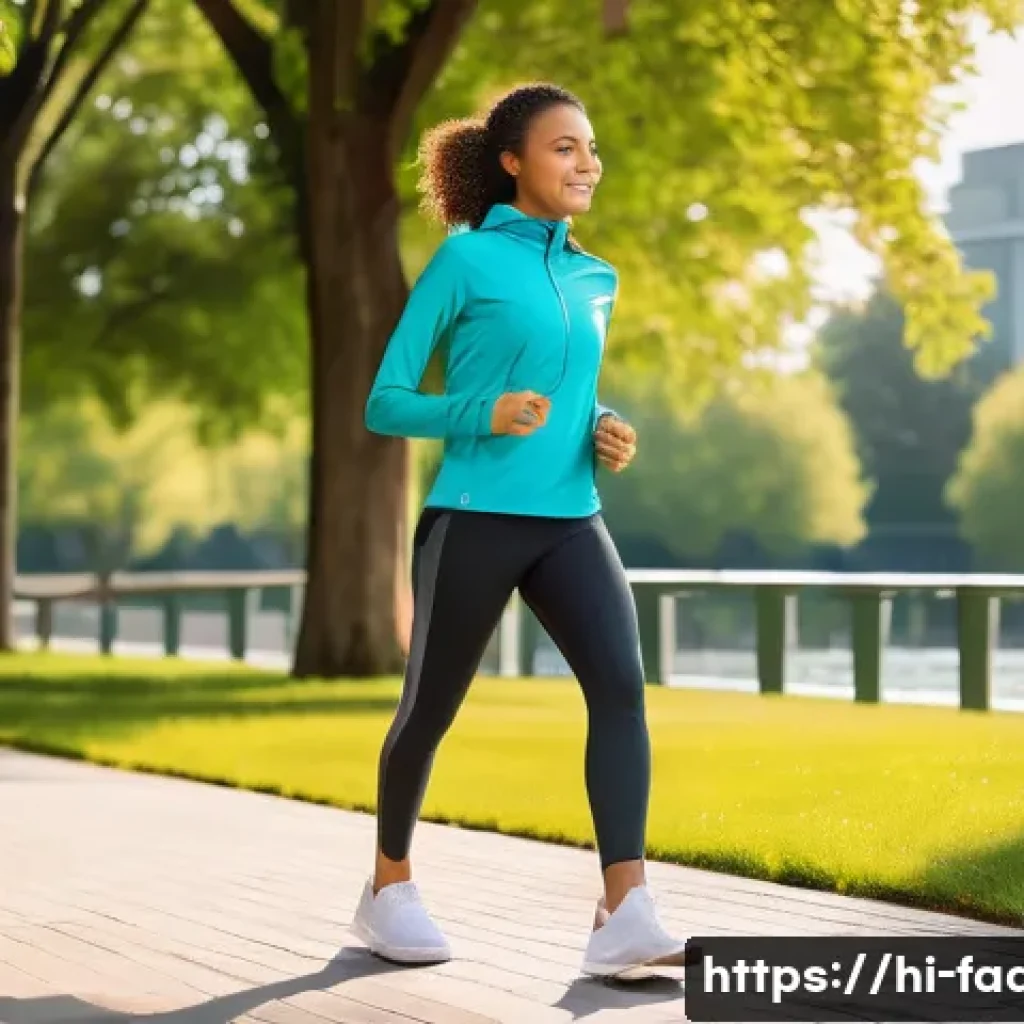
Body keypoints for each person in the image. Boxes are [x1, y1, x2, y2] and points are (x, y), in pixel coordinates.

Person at [352, 82, 687, 981]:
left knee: (621, 690)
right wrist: (481, 410)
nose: (588, 164)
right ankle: (388, 889)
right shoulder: (463, 263)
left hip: (572, 519)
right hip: (474, 516)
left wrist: (602, 424)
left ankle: (625, 910)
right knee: (429, 709)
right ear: (512, 162)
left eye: (590, 148)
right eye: (565, 149)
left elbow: (567, 389)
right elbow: (385, 402)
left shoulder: (596, 276)